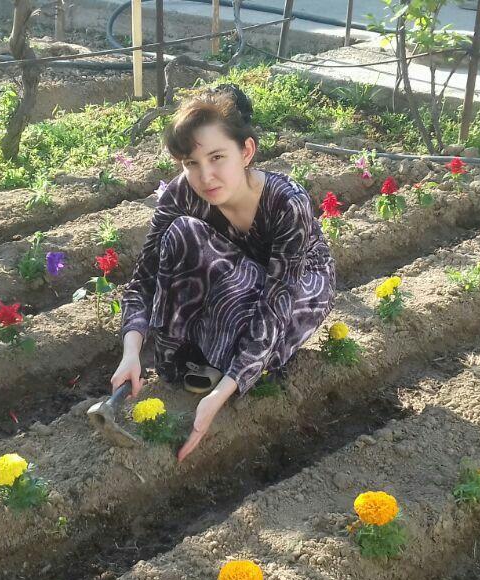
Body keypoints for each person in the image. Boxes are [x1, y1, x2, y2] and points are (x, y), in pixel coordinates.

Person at [110, 84, 336, 462]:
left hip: (297, 283)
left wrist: (223, 391)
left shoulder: (287, 202)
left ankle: (226, 359)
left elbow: (276, 303)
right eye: (191, 163)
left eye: (217, 157)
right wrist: (131, 352)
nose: (206, 176)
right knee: (181, 233)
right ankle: (202, 348)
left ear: (246, 151)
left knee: (256, 313)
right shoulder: (182, 194)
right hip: (235, 272)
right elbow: (144, 278)